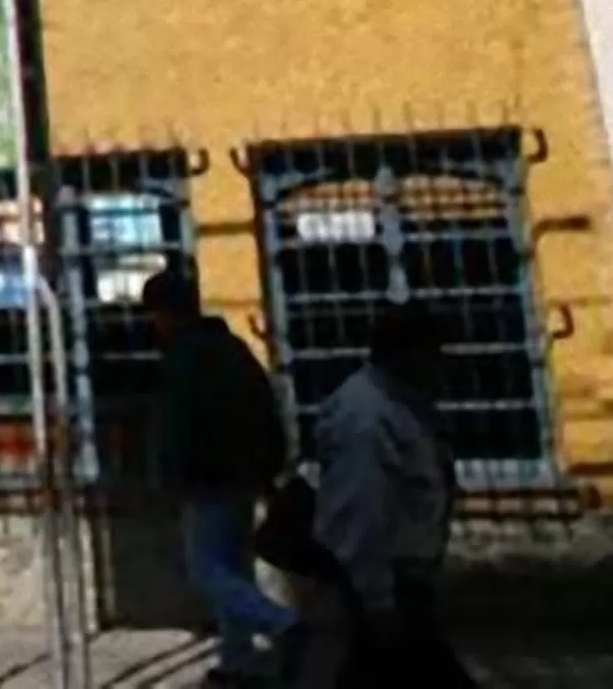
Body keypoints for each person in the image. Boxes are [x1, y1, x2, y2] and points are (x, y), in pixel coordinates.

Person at [308, 305, 474, 689]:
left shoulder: (399, 405)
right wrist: (377, 600)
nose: (441, 368)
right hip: (387, 584)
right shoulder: (368, 419)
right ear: (407, 355)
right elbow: (360, 513)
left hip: (398, 583)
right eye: (435, 355)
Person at [145, 268, 296, 683]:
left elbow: (177, 426)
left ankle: (283, 625)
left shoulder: (183, 359)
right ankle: (238, 662)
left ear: (165, 314)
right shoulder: (231, 348)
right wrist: (269, 468)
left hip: (206, 481)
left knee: (207, 571)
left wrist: (167, 477)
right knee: (235, 570)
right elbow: (264, 407)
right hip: (242, 479)